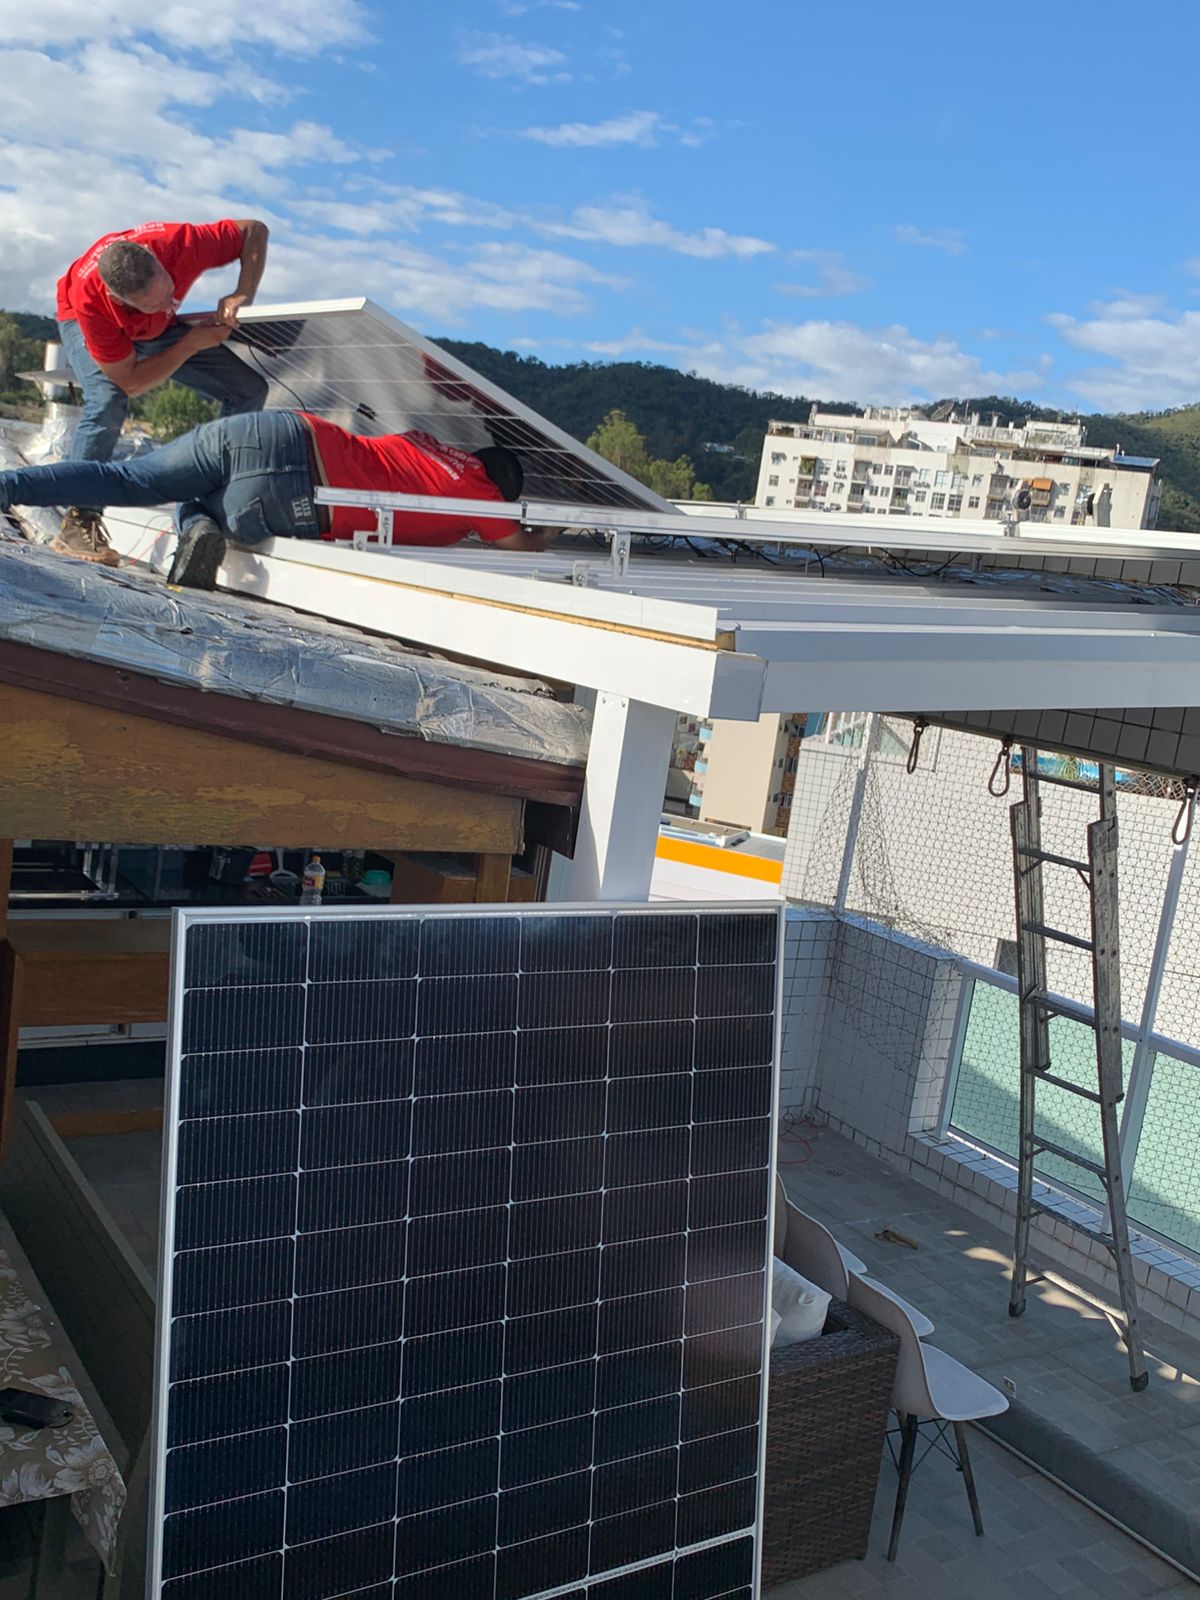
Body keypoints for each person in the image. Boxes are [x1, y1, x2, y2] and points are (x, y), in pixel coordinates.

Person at [0, 410, 551, 590]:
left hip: (276, 431)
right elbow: (519, 547)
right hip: (294, 497)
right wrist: (549, 533)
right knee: (207, 511)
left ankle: (8, 487)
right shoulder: (479, 495)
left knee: (124, 479)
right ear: (501, 492)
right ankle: (198, 525)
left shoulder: (424, 444)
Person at [54, 218, 271, 566]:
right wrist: (190, 343)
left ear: (156, 258)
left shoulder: (179, 244)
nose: (172, 303)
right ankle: (79, 520)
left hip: (153, 328)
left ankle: (216, 504)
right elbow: (131, 381)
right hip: (82, 322)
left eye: (170, 291)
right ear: (119, 299)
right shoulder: (93, 303)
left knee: (248, 389)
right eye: (156, 303)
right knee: (108, 401)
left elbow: (253, 231)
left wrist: (242, 291)